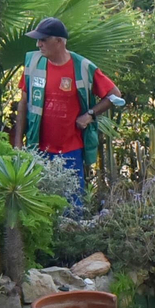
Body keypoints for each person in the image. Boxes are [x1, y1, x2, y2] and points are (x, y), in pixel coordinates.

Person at [13, 17, 124, 206]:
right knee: (38, 205)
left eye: (43, 39)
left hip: (70, 151)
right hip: (37, 148)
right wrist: (17, 143)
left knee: (71, 207)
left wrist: (90, 114)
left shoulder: (82, 66)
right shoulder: (32, 62)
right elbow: (23, 103)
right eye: (37, 40)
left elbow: (114, 95)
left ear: (59, 41)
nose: (38, 44)